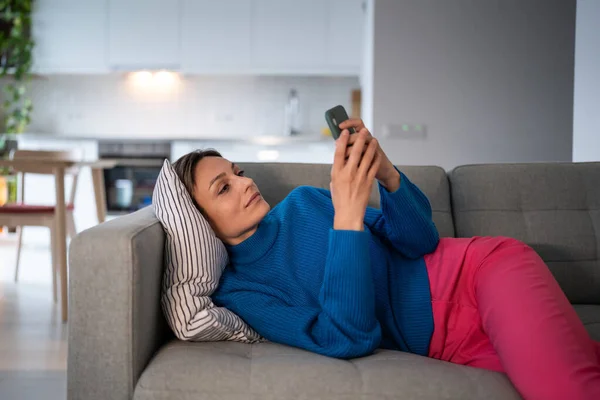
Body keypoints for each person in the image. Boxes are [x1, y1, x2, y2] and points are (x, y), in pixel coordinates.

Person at [172, 118, 600, 400]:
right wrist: (348, 217)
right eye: (223, 188)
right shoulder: (241, 290)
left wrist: (387, 173)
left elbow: (419, 239)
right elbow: (347, 338)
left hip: (480, 274)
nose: (245, 183)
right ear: (200, 223)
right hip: (450, 344)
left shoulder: (302, 204)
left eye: (238, 172)